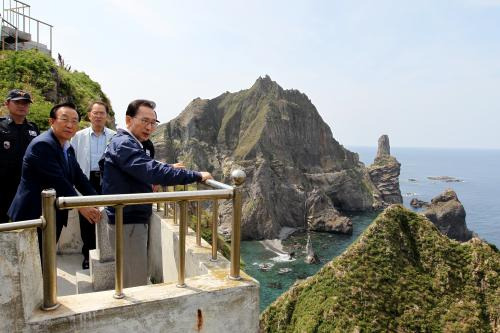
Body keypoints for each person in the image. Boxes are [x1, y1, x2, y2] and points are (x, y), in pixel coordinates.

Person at [101, 99, 212, 287]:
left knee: (131, 274)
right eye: (144, 121)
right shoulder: (124, 144)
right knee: (134, 281)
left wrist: (166, 167)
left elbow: (143, 168)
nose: (150, 127)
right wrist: (195, 175)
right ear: (128, 120)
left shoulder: (129, 143)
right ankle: (136, 315)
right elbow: (152, 171)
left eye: (153, 123)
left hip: (129, 217)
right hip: (128, 220)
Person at [8, 102, 101, 259]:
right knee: (31, 266)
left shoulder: (67, 147)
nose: (70, 125)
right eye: (64, 119)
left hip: (52, 216)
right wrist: (82, 206)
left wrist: (98, 201)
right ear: (52, 121)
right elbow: (59, 181)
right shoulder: (43, 145)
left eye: (74, 121)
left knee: (46, 262)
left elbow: (79, 178)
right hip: (32, 217)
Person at [71, 101, 116, 269]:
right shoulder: (78, 136)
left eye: (101, 113)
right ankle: (88, 254)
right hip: (86, 179)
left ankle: (107, 253)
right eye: (95, 113)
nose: (98, 116)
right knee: (87, 218)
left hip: (106, 180)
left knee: (107, 215)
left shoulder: (114, 136)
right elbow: (72, 160)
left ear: (107, 116)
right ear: (89, 115)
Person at [0, 89, 39, 223]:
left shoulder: (33, 129)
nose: (22, 106)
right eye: (18, 102)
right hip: (3, 187)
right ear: (7, 103)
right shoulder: (1, 126)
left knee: (26, 227)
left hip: (26, 187)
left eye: (26, 103)